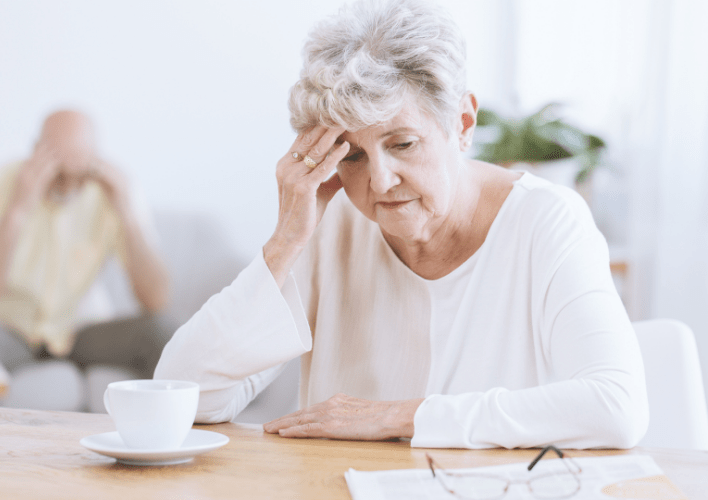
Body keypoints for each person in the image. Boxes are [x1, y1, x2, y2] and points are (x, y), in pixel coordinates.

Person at [154, 0, 648, 449]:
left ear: (462, 124)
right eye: (352, 155)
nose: (381, 181)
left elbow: (616, 407)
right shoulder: (331, 226)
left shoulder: (547, 220)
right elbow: (186, 397)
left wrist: (402, 417)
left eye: (403, 144)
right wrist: (285, 240)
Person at [0, 110, 173, 387]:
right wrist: (18, 209)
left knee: (162, 331)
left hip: (73, 337)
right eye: (60, 173)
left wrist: (126, 212)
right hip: (8, 334)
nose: (70, 187)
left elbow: (157, 300)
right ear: (37, 152)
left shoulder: (111, 192)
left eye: (81, 174)